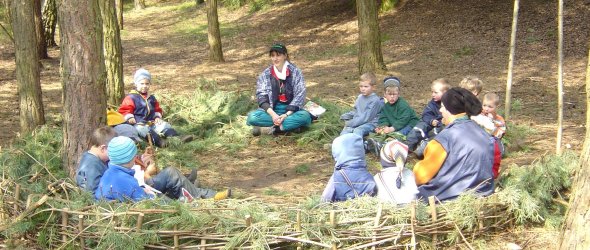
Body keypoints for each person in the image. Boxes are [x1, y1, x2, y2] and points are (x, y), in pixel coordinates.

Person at [77, 127, 229, 201]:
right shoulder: (90, 166)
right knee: (168, 186)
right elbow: (98, 197)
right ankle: (193, 194)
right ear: (104, 148)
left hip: (134, 187)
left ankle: (199, 192)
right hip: (133, 193)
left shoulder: (106, 160)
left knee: (170, 172)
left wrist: (141, 162)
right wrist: (146, 175)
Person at [412, 87, 495, 202]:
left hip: (448, 199)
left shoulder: (443, 139)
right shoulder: (484, 134)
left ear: (450, 110)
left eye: (442, 107)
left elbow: (420, 177)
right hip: (481, 194)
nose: (440, 110)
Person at [247, 43, 312, 136]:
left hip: (291, 111)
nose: (275, 58)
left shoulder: (295, 72)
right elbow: (261, 97)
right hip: (272, 110)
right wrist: (273, 115)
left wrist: (286, 115)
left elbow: (300, 95)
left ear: (285, 55)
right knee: (252, 117)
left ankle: (270, 130)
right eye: (273, 56)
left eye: (278, 55)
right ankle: (289, 128)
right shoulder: (266, 74)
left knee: (305, 117)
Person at [118, 68, 191, 147]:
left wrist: (157, 116)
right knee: (143, 130)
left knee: (163, 125)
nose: (144, 86)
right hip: (138, 123)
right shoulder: (131, 97)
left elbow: (157, 109)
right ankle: (159, 142)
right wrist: (129, 117)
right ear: (136, 84)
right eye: (142, 83)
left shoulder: (151, 97)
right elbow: (125, 110)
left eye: (147, 84)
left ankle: (175, 137)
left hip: (151, 121)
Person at [366, 76, 419, 155]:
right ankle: (368, 145)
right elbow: (384, 118)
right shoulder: (385, 106)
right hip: (395, 125)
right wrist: (382, 127)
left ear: (398, 94)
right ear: (385, 94)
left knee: (399, 133)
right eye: (389, 94)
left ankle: (384, 146)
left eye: (394, 94)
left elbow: (404, 119)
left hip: (409, 123)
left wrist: (392, 128)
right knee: (381, 133)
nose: (392, 97)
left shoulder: (402, 104)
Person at [321, 134, 376, 202]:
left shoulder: (337, 176)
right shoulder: (368, 176)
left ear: (337, 153)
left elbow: (325, 200)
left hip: (341, 210)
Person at [405, 78, 450, 157]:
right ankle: (407, 147)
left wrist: (441, 122)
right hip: (430, 123)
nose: (433, 94)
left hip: (442, 127)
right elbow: (426, 114)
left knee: (436, 135)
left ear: (445, 93)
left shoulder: (451, 103)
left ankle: (422, 150)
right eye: (432, 92)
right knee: (419, 127)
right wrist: (431, 120)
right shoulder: (432, 103)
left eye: (436, 92)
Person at [373, 140, 418, 205]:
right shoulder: (410, 173)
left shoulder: (378, 177)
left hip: (389, 210)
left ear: (384, 159)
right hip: (412, 208)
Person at [340, 72, 384, 137]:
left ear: (373, 87)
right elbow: (355, 111)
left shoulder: (375, 100)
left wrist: (350, 123)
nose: (363, 89)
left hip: (370, 124)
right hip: (359, 122)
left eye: (366, 86)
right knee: (346, 130)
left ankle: (357, 145)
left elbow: (366, 118)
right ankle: (340, 143)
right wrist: (345, 116)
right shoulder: (360, 97)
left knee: (358, 130)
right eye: (361, 86)